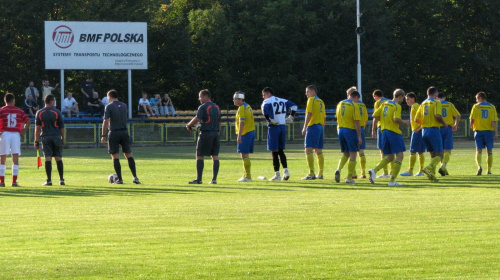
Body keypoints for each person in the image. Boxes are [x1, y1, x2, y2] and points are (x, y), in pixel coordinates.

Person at [368, 89, 410, 186]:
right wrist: (405, 123)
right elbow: (396, 119)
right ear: (400, 97)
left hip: (384, 131)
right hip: (393, 132)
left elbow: (375, 115)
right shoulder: (397, 106)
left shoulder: (384, 103)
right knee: (400, 155)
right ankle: (392, 181)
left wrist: (383, 121)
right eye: (402, 98)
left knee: (390, 156)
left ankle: (374, 170)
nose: (402, 100)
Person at [100, 89, 141, 184]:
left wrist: (103, 135)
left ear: (109, 96)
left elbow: (105, 121)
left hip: (114, 132)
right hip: (124, 132)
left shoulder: (108, 107)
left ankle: (120, 179)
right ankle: (135, 177)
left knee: (115, 156)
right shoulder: (124, 105)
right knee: (128, 154)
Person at [261, 87, 297, 181]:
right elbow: (294, 106)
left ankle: (277, 174)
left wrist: (270, 120)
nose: (263, 97)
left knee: (274, 151)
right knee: (281, 150)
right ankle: (286, 171)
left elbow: (265, 111)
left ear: (268, 93)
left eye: (264, 95)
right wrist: (291, 116)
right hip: (282, 126)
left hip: (274, 127)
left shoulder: (267, 101)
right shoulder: (282, 100)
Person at [186, 89, 222, 184]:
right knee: (215, 156)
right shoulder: (216, 107)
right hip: (216, 134)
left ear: (206, 96)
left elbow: (197, 118)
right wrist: (218, 132)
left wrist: (189, 125)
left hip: (206, 133)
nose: (199, 99)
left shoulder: (203, 106)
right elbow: (219, 122)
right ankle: (214, 179)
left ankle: (199, 179)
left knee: (199, 156)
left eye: (200, 97)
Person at [415, 86, 448, 182]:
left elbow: (416, 119)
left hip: (424, 131)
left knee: (433, 154)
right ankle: (428, 168)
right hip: (434, 130)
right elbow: (437, 115)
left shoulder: (422, 104)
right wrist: (444, 123)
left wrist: (425, 123)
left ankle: (432, 175)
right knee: (440, 154)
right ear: (435, 94)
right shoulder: (436, 102)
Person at [34, 94, 65, 186]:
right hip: (56, 136)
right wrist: (63, 139)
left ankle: (49, 180)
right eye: (54, 101)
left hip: (45, 137)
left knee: (48, 158)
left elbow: (37, 128)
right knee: (58, 158)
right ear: (51, 101)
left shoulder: (39, 112)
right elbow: (62, 128)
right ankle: (61, 179)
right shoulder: (57, 112)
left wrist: (36, 140)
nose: (54, 102)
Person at [0, 93, 30, 187]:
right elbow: (28, 121)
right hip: (15, 134)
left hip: (5, 134)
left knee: (2, 158)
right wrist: (24, 131)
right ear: (13, 100)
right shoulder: (19, 111)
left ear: (5, 101)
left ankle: (2, 182)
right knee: (15, 157)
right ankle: (14, 182)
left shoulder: (2, 110)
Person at [334, 90, 362, 184]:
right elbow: (357, 121)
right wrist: (359, 136)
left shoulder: (340, 103)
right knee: (353, 153)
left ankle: (338, 169)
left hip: (340, 130)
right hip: (350, 130)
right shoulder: (354, 105)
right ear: (356, 97)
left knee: (345, 153)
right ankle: (349, 177)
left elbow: (337, 117)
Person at [470, 91, 498, 175]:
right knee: (489, 151)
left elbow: (472, 119)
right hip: (489, 131)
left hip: (478, 131)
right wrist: (496, 132)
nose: (476, 101)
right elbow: (493, 121)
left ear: (480, 98)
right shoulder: (492, 107)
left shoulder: (476, 106)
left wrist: (471, 126)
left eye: (476, 99)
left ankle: (479, 167)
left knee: (478, 150)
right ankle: (489, 170)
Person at [301, 85, 326, 180]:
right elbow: (324, 116)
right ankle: (320, 173)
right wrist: (322, 127)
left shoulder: (311, 100)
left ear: (313, 91)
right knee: (318, 150)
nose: (306, 94)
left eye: (307, 91)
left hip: (313, 126)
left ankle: (311, 173)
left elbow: (309, 113)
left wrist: (305, 127)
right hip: (320, 126)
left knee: (308, 149)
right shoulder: (321, 101)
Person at [400, 92, 426, 177]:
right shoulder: (414, 106)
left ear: (412, 99)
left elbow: (423, 118)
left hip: (417, 132)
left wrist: (420, 128)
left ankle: (411, 171)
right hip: (417, 131)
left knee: (413, 151)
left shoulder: (415, 106)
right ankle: (420, 171)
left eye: (407, 99)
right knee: (420, 152)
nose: (406, 101)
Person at [233, 92, 255, 182]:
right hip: (250, 132)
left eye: (235, 98)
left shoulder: (242, 108)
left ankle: (248, 176)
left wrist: (239, 136)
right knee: (246, 155)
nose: (233, 100)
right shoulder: (247, 106)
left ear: (240, 99)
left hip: (245, 133)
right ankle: (247, 174)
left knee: (244, 155)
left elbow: (242, 122)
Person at [437, 92, 461, 176]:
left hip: (437, 128)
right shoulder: (449, 105)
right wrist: (456, 125)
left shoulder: (436, 104)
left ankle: (443, 168)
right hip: (447, 128)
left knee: (440, 150)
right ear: (445, 97)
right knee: (447, 149)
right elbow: (458, 115)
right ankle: (443, 166)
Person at [347, 86, 368, 179]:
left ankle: (353, 173)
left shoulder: (350, 104)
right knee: (361, 151)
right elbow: (366, 118)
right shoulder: (362, 105)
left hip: (352, 129)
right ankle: (363, 173)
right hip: (361, 128)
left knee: (351, 152)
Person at [371, 89, 391, 178]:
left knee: (382, 150)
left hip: (382, 127)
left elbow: (376, 116)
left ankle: (385, 172)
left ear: (376, 96)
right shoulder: (390, 101)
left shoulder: (378, 102)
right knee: (391, 150)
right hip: (391, 128)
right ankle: (392, 172)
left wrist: (373, 129)